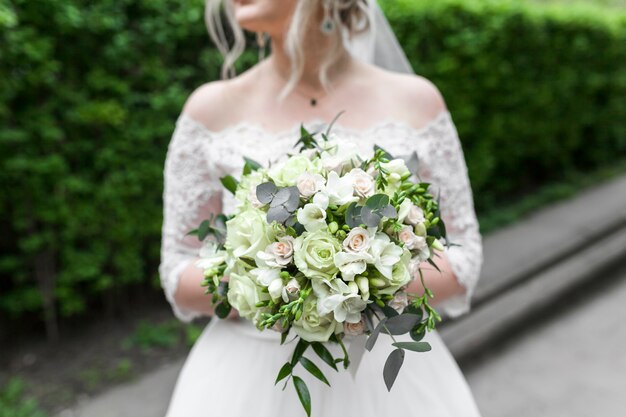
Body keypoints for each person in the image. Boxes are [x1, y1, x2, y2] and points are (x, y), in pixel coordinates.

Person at [159, 0, 484, 415]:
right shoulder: (210, 109)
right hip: (246, 380)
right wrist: (276, 285)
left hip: (390, 386)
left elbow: (464, 258)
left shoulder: (417, 102)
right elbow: (178, 267)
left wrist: (361, 285)